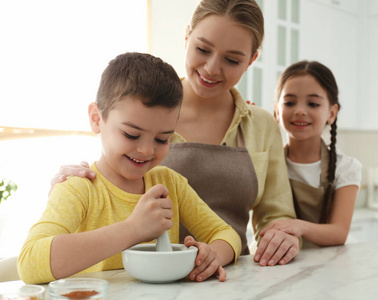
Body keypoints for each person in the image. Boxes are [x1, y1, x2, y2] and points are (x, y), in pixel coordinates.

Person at [49, 0, 300, 267]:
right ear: (187, 37)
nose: (212, 68)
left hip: (228, 274)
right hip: (145, 274)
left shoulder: (262, 125)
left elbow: (276, 216)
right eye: (203, 49)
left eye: (231, 59)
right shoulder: (150, 109)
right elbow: (113, 173)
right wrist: (71, 187)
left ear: (251, 60)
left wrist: (282, 236)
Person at [18, 52, 241, 284]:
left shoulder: (170, 184)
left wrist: (212, 255)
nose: (146, 150)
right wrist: (132, 229)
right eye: (131, 134)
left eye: (162, 139)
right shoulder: (78, 189)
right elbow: (29, 261)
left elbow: (226, 234)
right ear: (97, 119)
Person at [261, 60, 362, 248]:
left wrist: (299, 227)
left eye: (313, 104)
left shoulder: (346, 167)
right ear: (277, 110)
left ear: (332, 113)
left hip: (327, 265)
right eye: (289, 102)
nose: (300, 111)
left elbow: (339, 232)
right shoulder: (267, 163)